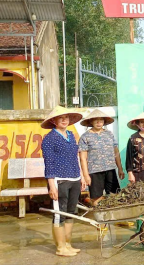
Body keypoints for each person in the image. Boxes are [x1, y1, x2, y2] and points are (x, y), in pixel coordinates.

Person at [41, 106, 85, 257]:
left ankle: (67, 244)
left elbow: (76, 157)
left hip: (75, 178)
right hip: (59, 180)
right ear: (54, 121)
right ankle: (60, 247)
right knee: (59, 214)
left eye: (66, 117)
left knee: (70, 213)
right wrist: (51, 184)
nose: (64, 120)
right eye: (61, 118)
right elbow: (49, 163)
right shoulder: (49, 139)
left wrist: (82, 177)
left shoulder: (71, 135)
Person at [78, 109, 124, 206]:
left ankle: (113, 219)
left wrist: (120, 168)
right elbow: (83, 157)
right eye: (96, 120)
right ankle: (100, 219)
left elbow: (116, 152)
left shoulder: (109, 134)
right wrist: (86, 175)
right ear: (91, 122)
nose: (99, 122)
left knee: (114, 196)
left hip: (110, 169)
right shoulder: (85, 137)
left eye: (101, 120)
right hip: (94, 172)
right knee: (96, 198)